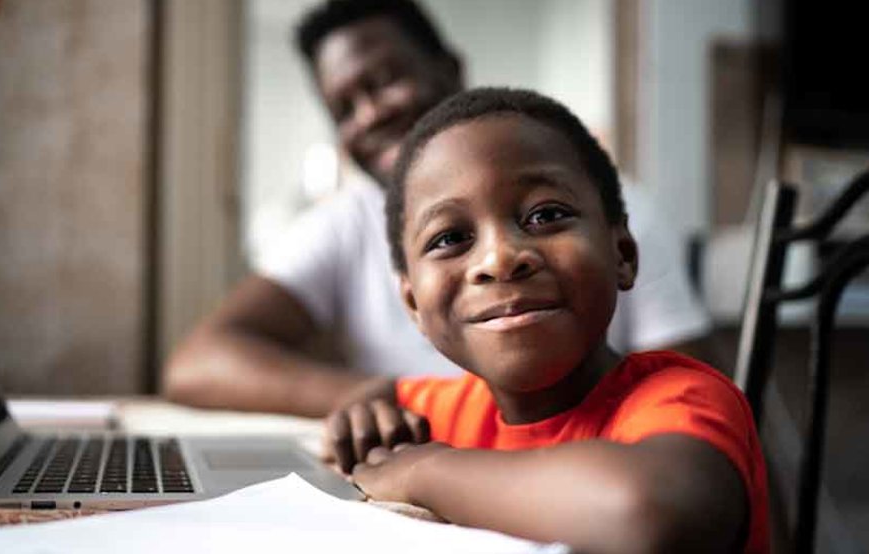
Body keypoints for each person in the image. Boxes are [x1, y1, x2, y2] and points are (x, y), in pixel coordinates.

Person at [162, 0, 711, 418]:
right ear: (411, 299)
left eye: (386, 81)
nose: (371, 113)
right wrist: (398, 402)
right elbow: (196, 363)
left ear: (449, 69)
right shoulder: (346, 223)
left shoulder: (605, 201)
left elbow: (693, 400)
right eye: (344, 107)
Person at [325, 87, 768, 553]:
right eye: (451, 237)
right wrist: (363, 414)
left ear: (622, 254)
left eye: (546, 214)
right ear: (414, 304)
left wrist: (424, 471)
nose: (499, 259)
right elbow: (386, 393)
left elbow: (644, 512)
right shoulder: (460, 408)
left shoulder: (683, 398)